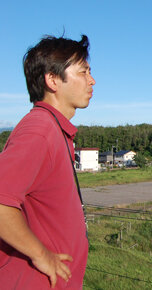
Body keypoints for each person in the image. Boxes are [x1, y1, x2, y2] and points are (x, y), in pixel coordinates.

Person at [0, 35, 95, 289]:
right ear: (52, 80)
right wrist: (41, 255)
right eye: (83, 72)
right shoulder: (39, 130)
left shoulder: (54, 130)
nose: (92, 80)